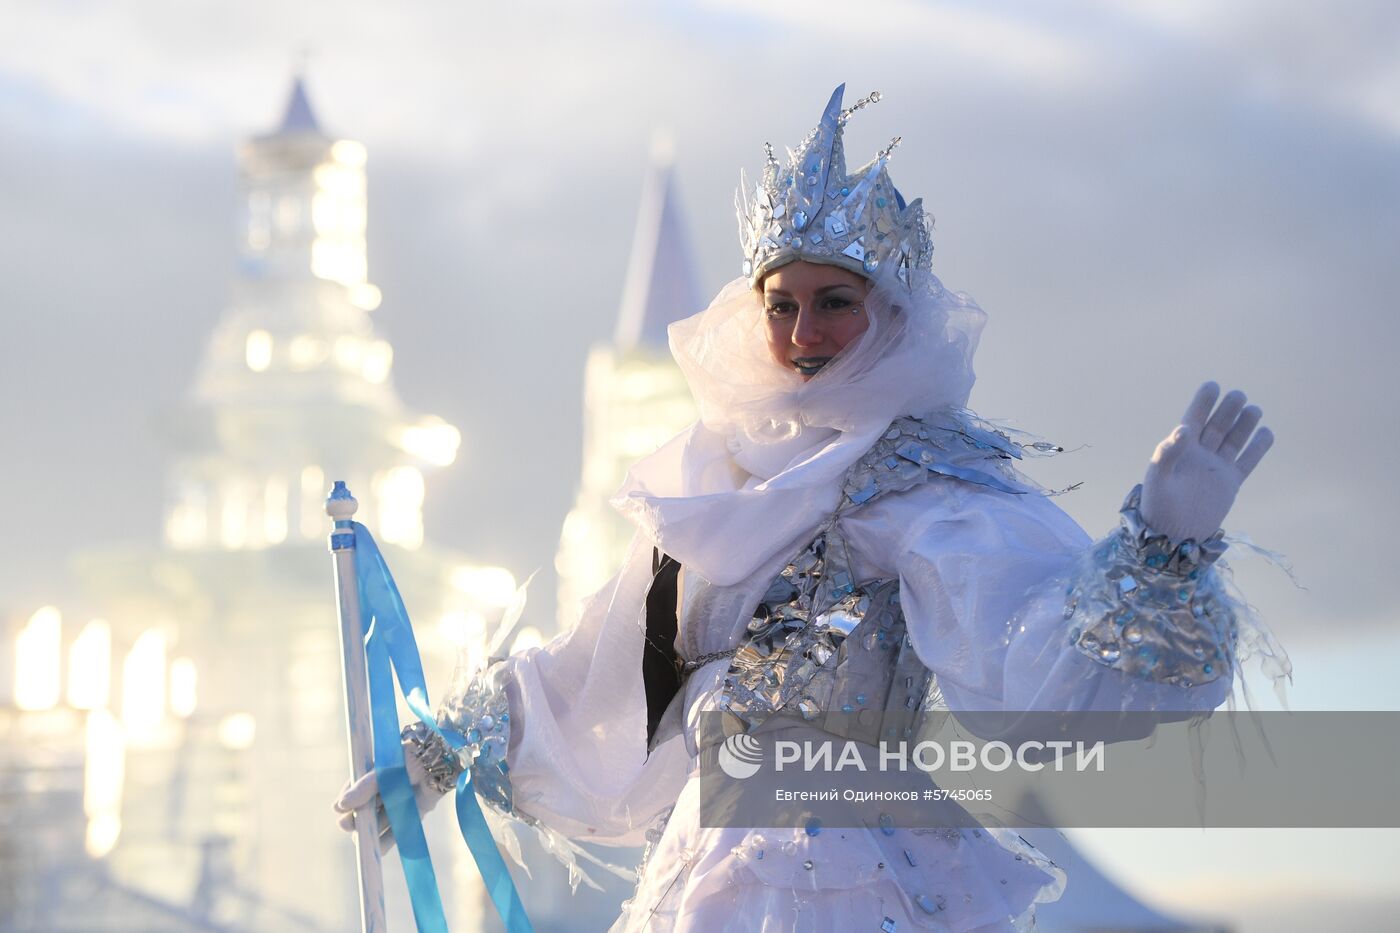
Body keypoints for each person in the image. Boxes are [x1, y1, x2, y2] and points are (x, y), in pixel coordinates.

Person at [335, 85, 1286, 932]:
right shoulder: (715, 477)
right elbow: (609, 672)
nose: (803, 334)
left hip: (852, 871)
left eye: (833, 301)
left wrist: (1161, 545)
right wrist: (440, 753)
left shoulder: (918, 480)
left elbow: (1035, 656)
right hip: (708, 866)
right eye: (781, 306)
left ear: (893, 312)